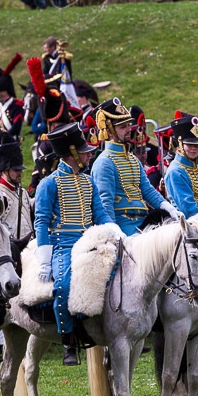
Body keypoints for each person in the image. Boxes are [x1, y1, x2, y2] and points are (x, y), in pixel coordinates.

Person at [34, 122, 115, 358]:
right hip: (64, 246)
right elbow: (41, 222)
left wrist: (115, 232)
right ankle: (68, 340)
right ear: (72, 155)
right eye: (84, 151)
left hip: (91, 243)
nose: (90, 154)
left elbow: (100, 213)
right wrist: (45, 260)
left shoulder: (88, 181)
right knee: (64, 286)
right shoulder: (49, 183)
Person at [90, 98, 179, 235]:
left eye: (128, 125)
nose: (128, 130)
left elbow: (147, 190)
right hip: (123, 226)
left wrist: (168, 208)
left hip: (144, 222)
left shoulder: (132, 159)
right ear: (109, 131)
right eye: (122, 127)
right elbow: (105, 204)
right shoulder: (104, 162)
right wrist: (114, 233)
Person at [164, 112, 198, 217]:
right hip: (187, 223)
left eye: (197, 145)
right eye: (189, 145)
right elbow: (188, 208)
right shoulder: (175, 172)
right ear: (179, 145)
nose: (194, 148)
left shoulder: (196, 169)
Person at [0, 137, 34, 241]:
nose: (20, 173)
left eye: (20, 170)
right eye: (16, 170)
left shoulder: (23, 192)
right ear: (5, 171)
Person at [0, 54, 25, 140]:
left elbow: (16, 128)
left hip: (11, 143)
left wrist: (3, 137)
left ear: (4, 91)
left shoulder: (16, 106)